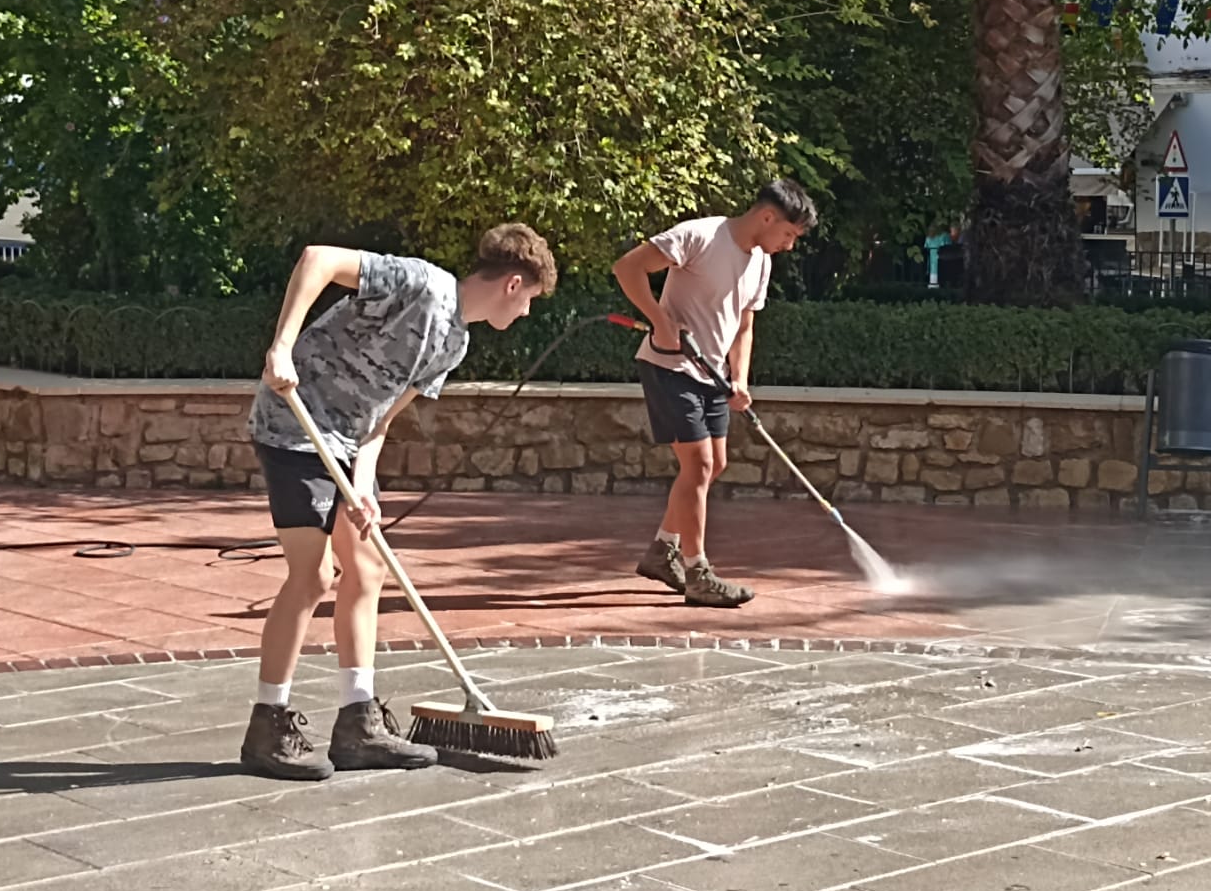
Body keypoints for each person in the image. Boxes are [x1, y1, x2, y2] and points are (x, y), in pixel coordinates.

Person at [240, 224, 557, 780]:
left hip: (346, 445)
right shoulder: (419, 282)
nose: (526, 313)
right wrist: (282, 345)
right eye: (529, 299)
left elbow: (382, 417)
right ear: (512, 284)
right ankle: (267, 726)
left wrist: (364, 483)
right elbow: (318, 258)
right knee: (314, 578)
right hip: (294, 424)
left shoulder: (454, 343)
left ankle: (357, 723)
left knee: (367, 570)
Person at [612, 179, 815, 608]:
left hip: (711, 375)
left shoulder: (761, 261)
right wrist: (660, 321)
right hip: (669, 365)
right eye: (789, 235)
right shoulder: (701, 235)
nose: (789, 245)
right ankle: (698, 572)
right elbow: (627, 268)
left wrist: (739, 378)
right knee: (699, 465)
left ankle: (662, 550)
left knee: (714, 464)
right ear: (767, 217)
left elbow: (744, 325)